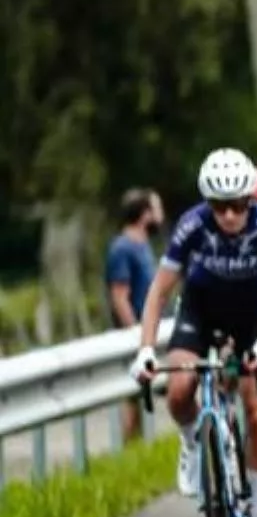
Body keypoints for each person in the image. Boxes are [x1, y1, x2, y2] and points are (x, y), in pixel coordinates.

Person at [128, 149, 257, 517]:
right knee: (179, 388)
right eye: (221, 206)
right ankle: (190, 441)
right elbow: (159, 293)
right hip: (201, 307)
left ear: (251, 200)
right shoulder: (191, 226)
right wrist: (146, 349)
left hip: (252, 313)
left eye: (238, 205)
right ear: (208, 203)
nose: (231, 215)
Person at [106, 188, 162, 442]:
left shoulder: (143, 246)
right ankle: (129, 446)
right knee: (132, 398)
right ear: (144, 214)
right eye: (155, 208)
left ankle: (139, 445)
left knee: (142, 398)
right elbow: (119, 295)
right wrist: (137, 334)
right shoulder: (122, 248)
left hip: (149, 330)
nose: (160, 214)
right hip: (136, 334)